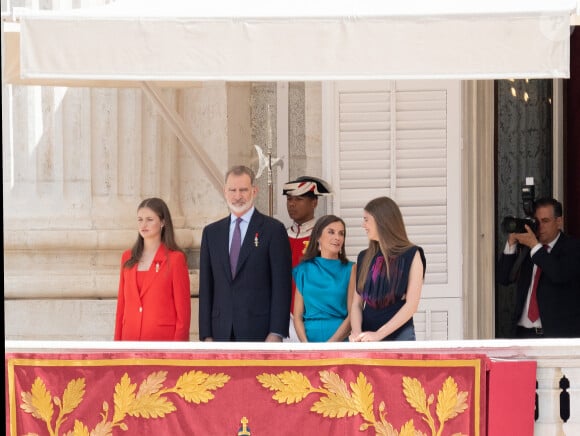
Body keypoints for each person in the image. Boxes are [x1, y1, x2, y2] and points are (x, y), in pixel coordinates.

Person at [199, 165, 292, 342]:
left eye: (243, 190)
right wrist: (206, 334)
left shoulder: (273, 230)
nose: (237, 196)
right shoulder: (211, 233)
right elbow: (206, 287)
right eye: (232, 190)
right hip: (220, 331)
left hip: (260, 330)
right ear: (225, 192)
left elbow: (282, 286)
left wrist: (276, 332)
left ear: (254, 191)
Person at [497, 197, 580, 338]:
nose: (540, 226)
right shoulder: (528, 248)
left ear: (558, 222)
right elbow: (504, 278)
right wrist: (512, 243)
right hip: (523, 332)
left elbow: (558, 274)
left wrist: (535, 246)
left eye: (545, 221)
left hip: (556, 335)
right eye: (536, 221)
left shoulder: (573, 247)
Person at [350, 197, 426, 342]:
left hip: (399, 336)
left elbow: (411, 305)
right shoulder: (363, 257)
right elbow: (356, 304)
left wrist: (378, 335)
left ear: (381, 221)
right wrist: (358, 334)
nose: (363, 225)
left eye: (366, 219)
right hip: (366, 337)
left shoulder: (412, 254)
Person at [114, 197, 191, 341]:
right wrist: (116, 346)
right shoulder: (127, 257)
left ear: (162, 222)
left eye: (149, 219)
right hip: (129, 341)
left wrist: (178, 351)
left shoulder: (175, 259)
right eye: (140, 219)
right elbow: (121, 308)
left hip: (162, 344)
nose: (143, 224)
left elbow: (183, 314)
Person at [282, 175, 332, 341]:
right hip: (283, 318)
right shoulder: (280, 235)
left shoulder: (323, 237)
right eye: (289, 199)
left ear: (314, 202)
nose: (292, 204)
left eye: (299, 199)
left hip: (313, 318)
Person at [292, 215, 355, 342]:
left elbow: (352, 315)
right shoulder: (303, 269)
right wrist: (306, 345)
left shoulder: (351, 269)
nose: (337, 238)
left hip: (339, 341)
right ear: (318, 237)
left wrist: (330, 345)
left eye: (341, 233)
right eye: (331, 232)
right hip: (309, 341)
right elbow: (297, 316)